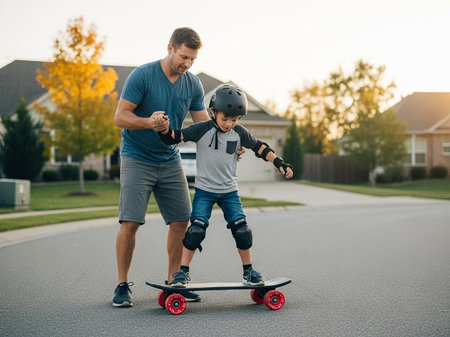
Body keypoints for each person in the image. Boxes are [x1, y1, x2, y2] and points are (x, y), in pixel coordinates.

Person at [158, 84, 294, 287]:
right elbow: (175, 137)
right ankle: (182, 273)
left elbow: (260, 147)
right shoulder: (201, 129)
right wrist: (164, 128)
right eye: (225, 118)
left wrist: (279, 163)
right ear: (213, 112)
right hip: (205, 191)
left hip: (229, 192)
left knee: (242, 231)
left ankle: (248, 271)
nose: (229, 123)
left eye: (234, 119)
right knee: (196, 230)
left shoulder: (239, 132)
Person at [112, 27, 209, 307]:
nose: (187, 64)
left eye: (192, 59)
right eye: (183, 57)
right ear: (170, 48)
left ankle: (172, 282)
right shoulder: (143, 75)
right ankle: (121, 285)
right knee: (130, 222)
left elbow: (204, 127)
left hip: (169, 158)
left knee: (182, 221)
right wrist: (148, 122)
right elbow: (120, 117)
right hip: (136, 157)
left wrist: (231, 145)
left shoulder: (192, 85)